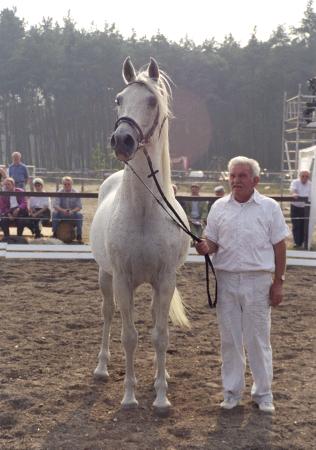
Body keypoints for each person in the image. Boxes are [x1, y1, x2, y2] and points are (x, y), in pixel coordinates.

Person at [196, 156, 289, 414]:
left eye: (242, 176)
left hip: (258, 281)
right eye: (233, 176)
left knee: (258, 339)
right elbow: (213, 242)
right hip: (226, 280)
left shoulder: (269, 207)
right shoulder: (218, 208)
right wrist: (206, 247)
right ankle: (232, 392)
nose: (236, 181)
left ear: (255, 180)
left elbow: (280, 247)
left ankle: (263, 393)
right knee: (230, 339)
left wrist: (278, 282)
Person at [52, 176, 83, 242]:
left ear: (72, 184)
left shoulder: (76, 193)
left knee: (80, 215)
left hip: (72, 213)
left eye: (68, 184)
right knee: (54, 213)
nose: (67, 185)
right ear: (62, 184)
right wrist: (63, 210)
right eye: (65, 184)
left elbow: (79, 206)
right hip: (62, 213)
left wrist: (72, 211)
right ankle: (54, 233)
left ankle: (79, 235)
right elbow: (55, 205)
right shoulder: (59, 192)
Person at [289, 170, 311, 248]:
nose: (305, 178)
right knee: (296, 225)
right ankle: (297, 242)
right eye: (303, 176)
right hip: (295, 206)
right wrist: (294, 193)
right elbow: (292, 189)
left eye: (307, 176)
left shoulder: (311, 184)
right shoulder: (295, 182)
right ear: (299, 176)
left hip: (306, 208)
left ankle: (303, 242)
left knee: (304, 225)